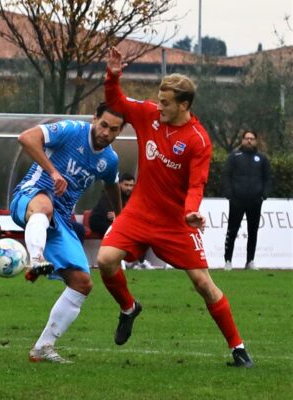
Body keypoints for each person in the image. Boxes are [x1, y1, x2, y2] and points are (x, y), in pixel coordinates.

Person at [96, 46, 253, 368]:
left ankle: (238, 349)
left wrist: (191, 212)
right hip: (139, 211)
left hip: (175, 221)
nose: (159, 106)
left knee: (203, 283)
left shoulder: (198, 140)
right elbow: (117, 103)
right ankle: (128, 308)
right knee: (105, 259)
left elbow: (197, 184)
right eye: (159, 99)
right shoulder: (149, 115)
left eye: (166, 102)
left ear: (184, 105)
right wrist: (113, 75)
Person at [10, 102, 126, 363]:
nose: (106, 132)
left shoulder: (110, 159)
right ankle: (36, 259)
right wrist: (53, 172)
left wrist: (121, 217)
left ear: (120, 132)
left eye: (114, 129)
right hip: (30, 196)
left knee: (82, 283)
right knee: (44, 206)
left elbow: (112, 184)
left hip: (60, 219)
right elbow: (26, 138)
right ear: (94, 118)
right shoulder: (72, 130)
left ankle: (43, 348)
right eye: (104, 124)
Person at [222, 130, 271, 271]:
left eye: (252, 138)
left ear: (256, 141)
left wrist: (264, 195)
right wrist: (229, 194)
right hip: (237, 200)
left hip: (255, 201)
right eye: (246, 138)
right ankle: (228, 260)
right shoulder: (234, 157)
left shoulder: (262, 158)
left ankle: (250, 261)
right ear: (242, 140)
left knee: (253, 231)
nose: (249, 141)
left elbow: (267, 178)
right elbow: (227, 175)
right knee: (232, 230)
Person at [89, 172, 152, 269]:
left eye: (131, 185)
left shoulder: (132, 197)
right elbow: (110, 215)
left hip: (114, 222)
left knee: (142, 231)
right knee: (122, 231)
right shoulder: (110, 194)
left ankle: (138, 261)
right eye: (126, 185)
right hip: (99, 222)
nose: (129, 188)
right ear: (120, 184)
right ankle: (120, 260)